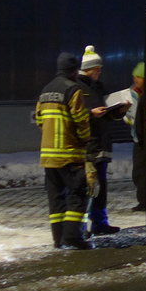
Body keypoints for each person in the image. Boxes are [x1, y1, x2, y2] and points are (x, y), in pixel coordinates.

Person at [34, 51, 93, 250]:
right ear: (74, 70)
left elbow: (39, 120)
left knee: (56, 198)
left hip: (48, 157)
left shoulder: (46, 90)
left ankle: (58, 238)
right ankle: (72, 237)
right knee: (77, 194)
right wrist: (85, 138)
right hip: (69, 155)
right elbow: (80, 120)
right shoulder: (73, 89)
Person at [76, 45, 120, 235]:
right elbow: (75, 115)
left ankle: (100, 222)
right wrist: (91, 114)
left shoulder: (98, 87)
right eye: (97, 69)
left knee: (100, 187)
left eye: (100, 69)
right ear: (88, 69)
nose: (99, 72)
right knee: (89, 186)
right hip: (90, 145)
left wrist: (117, 112)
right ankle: (81, 226)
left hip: (102, 144)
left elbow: (105, 111)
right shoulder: (78, 87)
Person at [125, 60, 146, 212]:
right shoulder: (132, 94)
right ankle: (142, 200)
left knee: (144, 172)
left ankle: (145, 201)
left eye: (139, 77)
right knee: (137, 172)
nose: (135, 80)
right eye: (134, 77)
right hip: (137, 138)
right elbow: (128, 117)